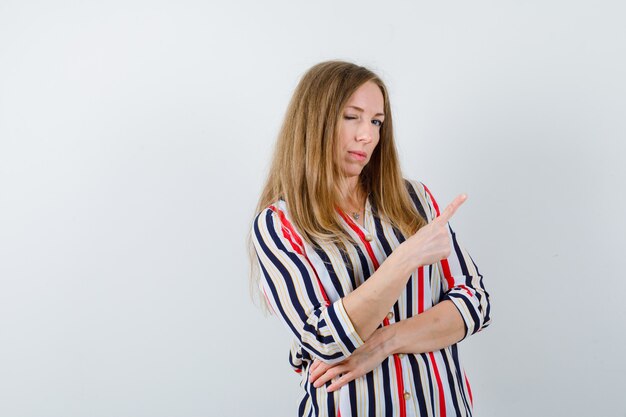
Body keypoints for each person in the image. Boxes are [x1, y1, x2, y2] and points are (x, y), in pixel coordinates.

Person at [248, 60, 491, 417]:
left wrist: (384, 342)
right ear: (314, 121)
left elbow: (475, 303)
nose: (368, 135)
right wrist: (406, 259)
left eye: (376, 121)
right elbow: (325, 341)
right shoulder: (280, 224)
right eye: (352, 117)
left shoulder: (415, 200)